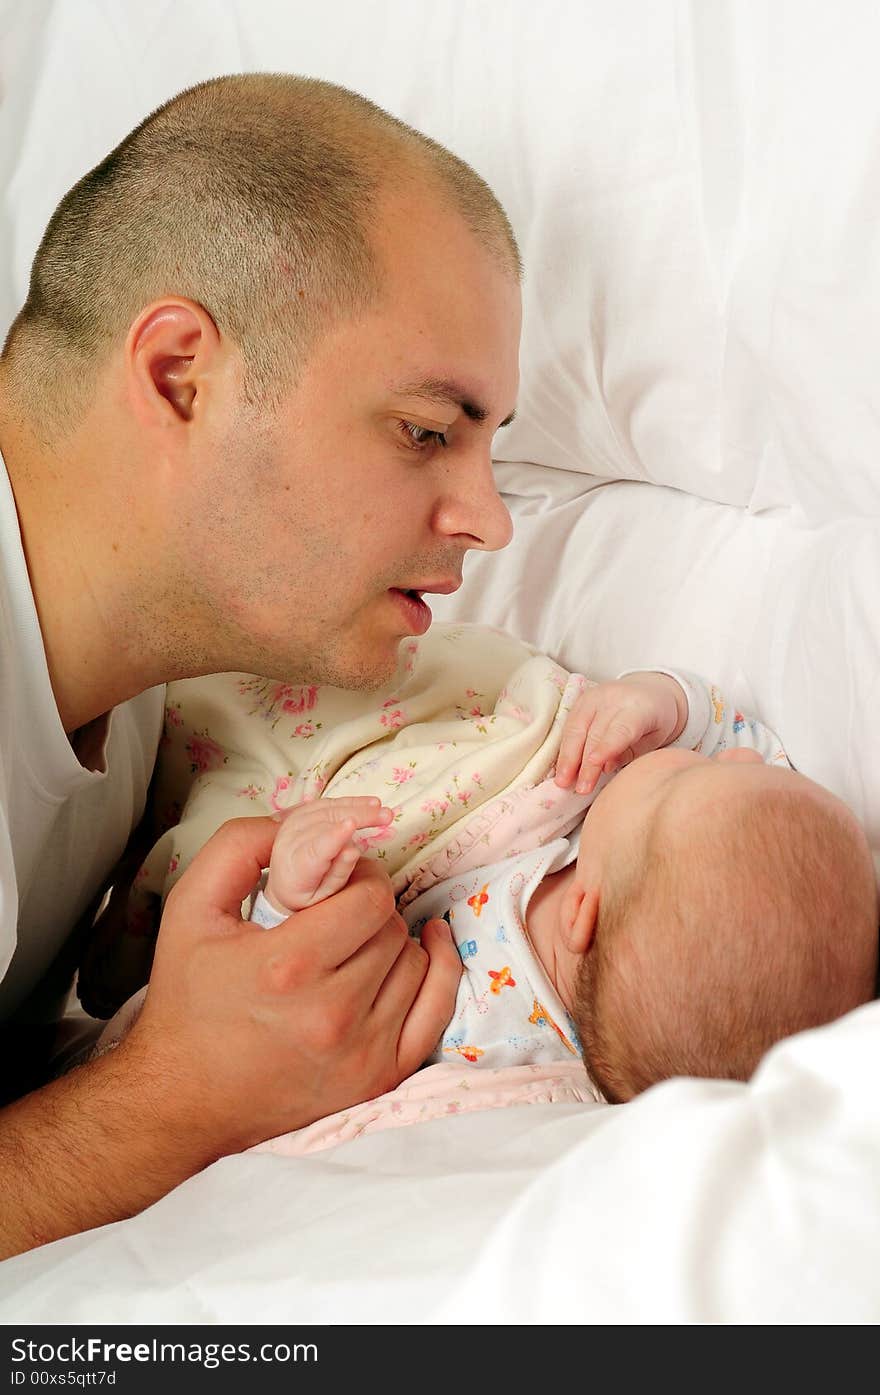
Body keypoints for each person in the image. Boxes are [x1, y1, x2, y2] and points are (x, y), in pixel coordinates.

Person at [0, 71, 523, 1257]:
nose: (489, 520)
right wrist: (176, 1096)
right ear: (182, 375)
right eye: (425, 433)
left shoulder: (137, 681)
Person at [94, 644, 879, 1106]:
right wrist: (666, 704)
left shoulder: (479, 1036)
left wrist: (292, 893)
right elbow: (746, 752)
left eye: (685, 775)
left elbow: (302, 1002)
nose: (734, 753)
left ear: (585, 913)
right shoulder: (670, 888)